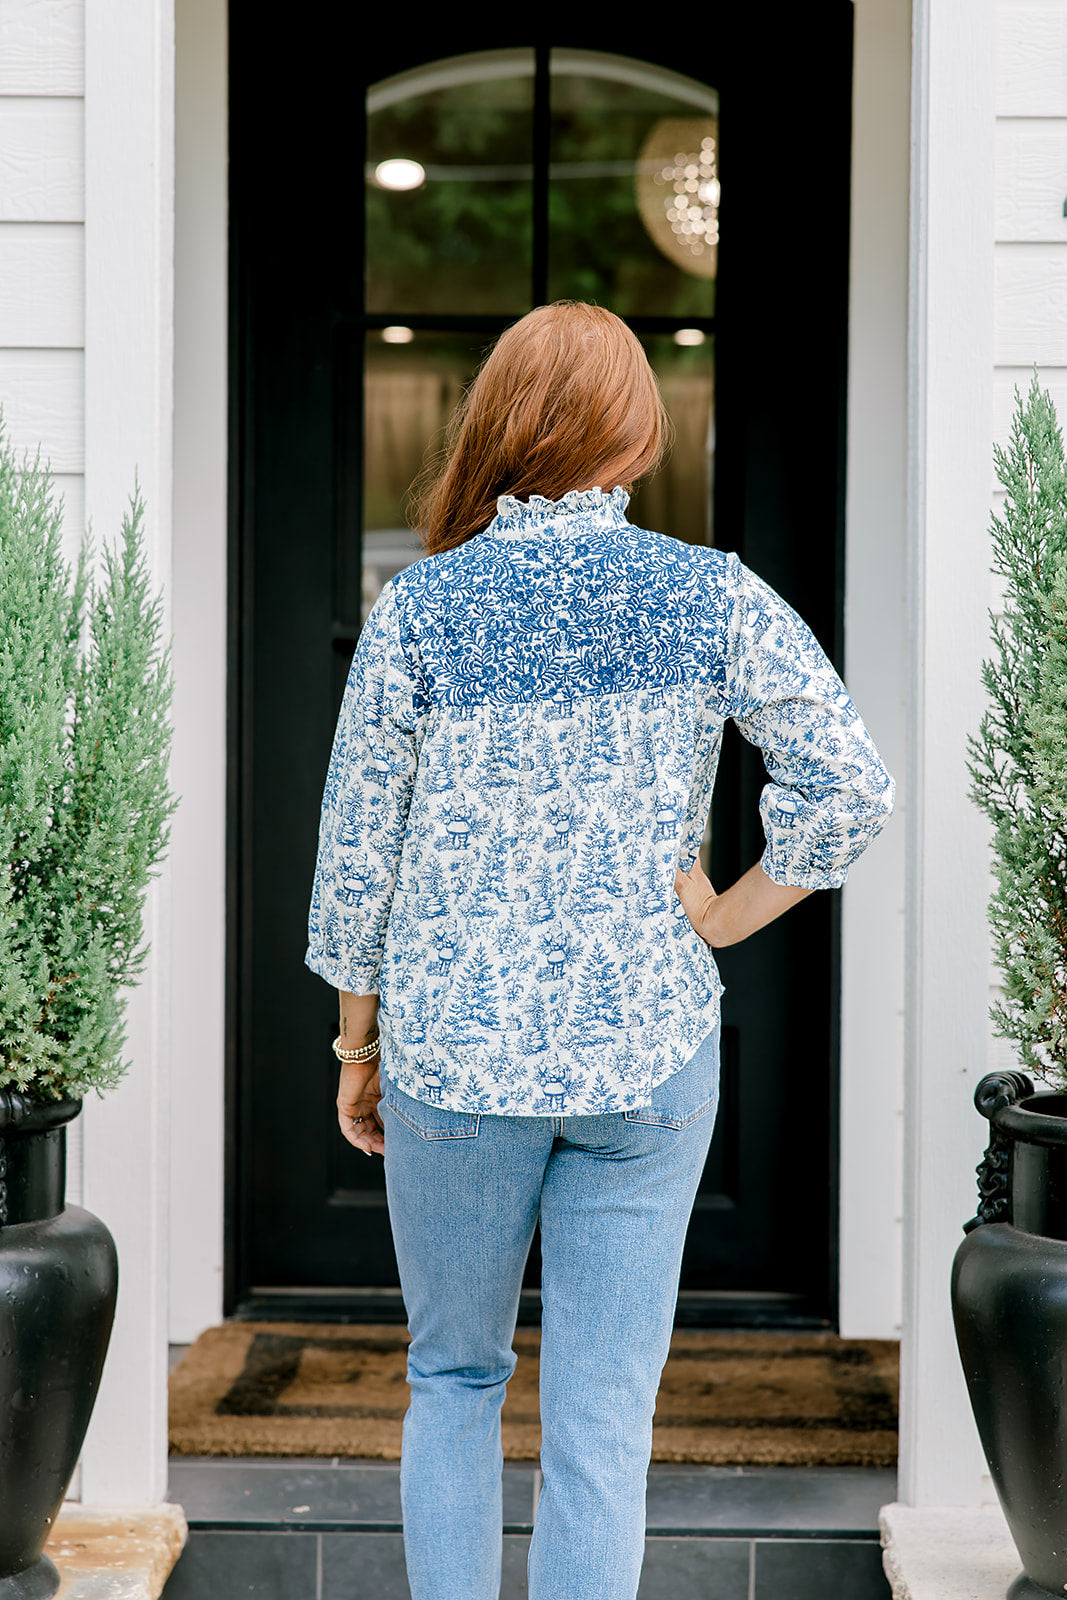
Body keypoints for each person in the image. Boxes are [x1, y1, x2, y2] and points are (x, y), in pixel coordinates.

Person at [305, 301, 894, 1600]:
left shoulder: (422, 608)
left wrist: (359, 1045)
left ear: (500, 429)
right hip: (646, 1063)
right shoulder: (709, 593)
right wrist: (727, 915)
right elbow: (848, 785)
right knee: (603, 1417)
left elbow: (359, 865)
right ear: (633, 437)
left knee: (453, 1379)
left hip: (453, 1067)